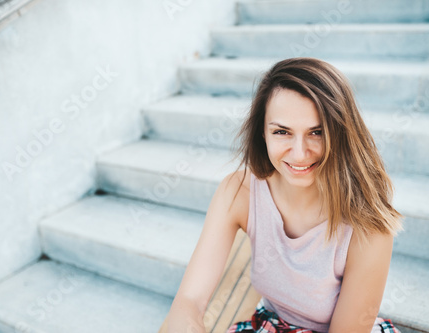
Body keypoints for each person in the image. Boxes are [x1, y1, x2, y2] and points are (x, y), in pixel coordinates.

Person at [167, 57, 403, 333]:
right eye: (282, 132)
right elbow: (189, 300)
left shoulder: (368, 224)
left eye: (317, 132)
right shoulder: (240, 191)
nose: (300, 153)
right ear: (262, 134)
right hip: (270, 324)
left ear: (340, 133)